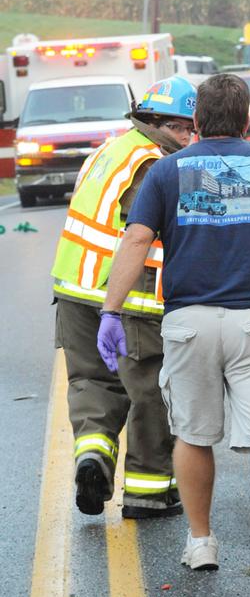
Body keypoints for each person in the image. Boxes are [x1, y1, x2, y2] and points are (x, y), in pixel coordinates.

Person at [97, 73, 250, 593]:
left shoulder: (167, 172)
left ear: (197, 121)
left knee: (193, 433)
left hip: (189, 323)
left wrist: (111, 310)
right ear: (247, 118)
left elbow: (137, 238)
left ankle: (201, 542)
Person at [51, 75, 197, 519]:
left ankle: (92, 456)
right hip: (130, 296)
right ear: (157, 123)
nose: (191, 138)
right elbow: (144, 232)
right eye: (184, 128)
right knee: (150, 389)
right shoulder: (155, 164)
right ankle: (148, 493)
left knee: (92, 382)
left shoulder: (111, 149)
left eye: (193, 129)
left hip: (73, 287)